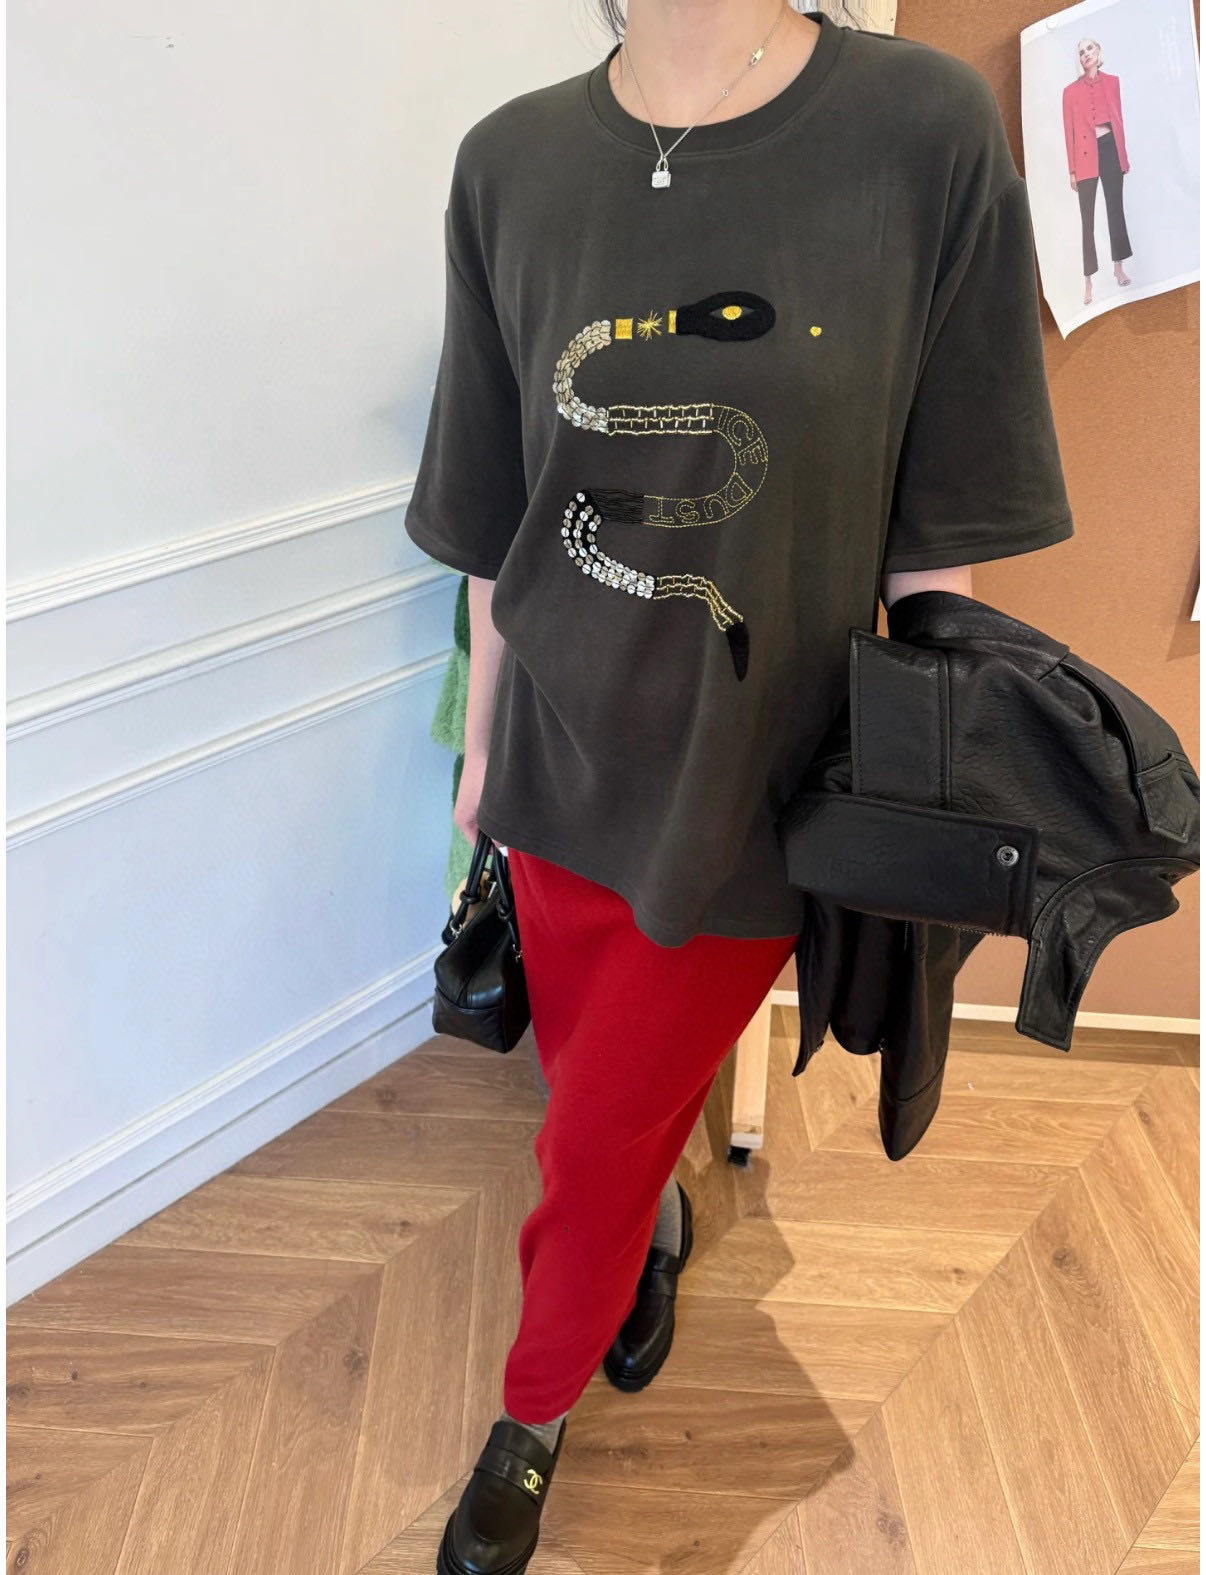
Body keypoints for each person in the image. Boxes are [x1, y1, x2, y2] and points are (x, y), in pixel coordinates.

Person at [406, 6, 1076, 1571]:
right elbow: (500, 521)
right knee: (590, 1087)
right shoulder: (508, 163)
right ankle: (653, 1220)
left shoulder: (918, 135)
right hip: (557, 769)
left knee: (585, 1140)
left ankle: (532, 1405)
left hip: (753, 789)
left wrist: (929, 792)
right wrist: (484, 753)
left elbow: (936, 544)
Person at [1062, 35, 1133, 308]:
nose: (1086, 54)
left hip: (1110, 150)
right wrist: (1072, 170)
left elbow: (1119, 120)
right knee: (1087, 219)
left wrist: (1123, 157)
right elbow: (1069, 132)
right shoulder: (1070, 92)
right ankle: (1088, 280)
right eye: (1081, 52)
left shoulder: (1113, 82)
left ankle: (1118, 267)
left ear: (1098, 51)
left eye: (1089, 48)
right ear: (1079, 59)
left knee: (1116, 210)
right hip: (1084, 156)